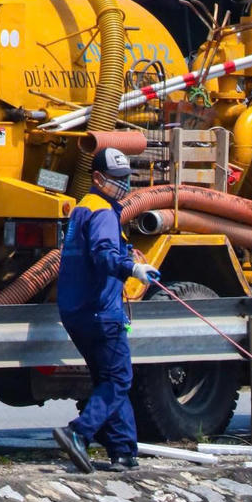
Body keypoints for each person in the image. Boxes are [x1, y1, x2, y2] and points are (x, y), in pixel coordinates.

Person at [52, 145, 161, 474]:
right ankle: (78, 433)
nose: (124, 184)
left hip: (76, 310)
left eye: (126, 177)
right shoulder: (101, 212)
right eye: (117, 178)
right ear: (98, 178)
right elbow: (103, 256)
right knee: (118, 378)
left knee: (108, 380)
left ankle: (123, 452)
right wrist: (133, 268)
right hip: (99, 311)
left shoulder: (84, 207)